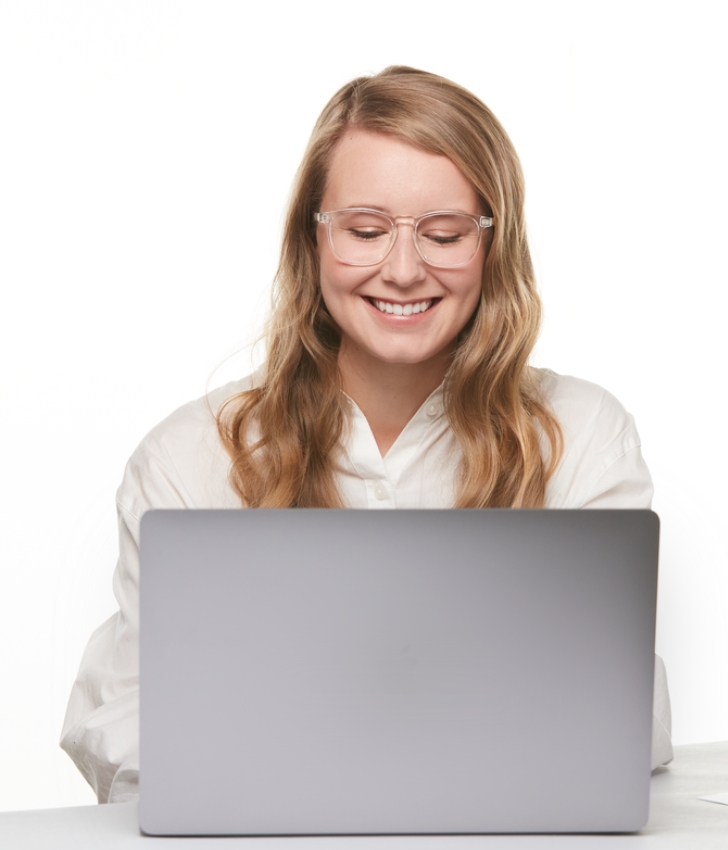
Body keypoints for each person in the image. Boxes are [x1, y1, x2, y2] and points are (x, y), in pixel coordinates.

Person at [60, 65, 673, 804]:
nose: (405, 269)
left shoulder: (582, 437)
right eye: (366, 230)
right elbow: (127, 726)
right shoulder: (190, 459)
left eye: (445, 234)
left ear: (493, 246)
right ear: (312, 241)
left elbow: (620, 724)